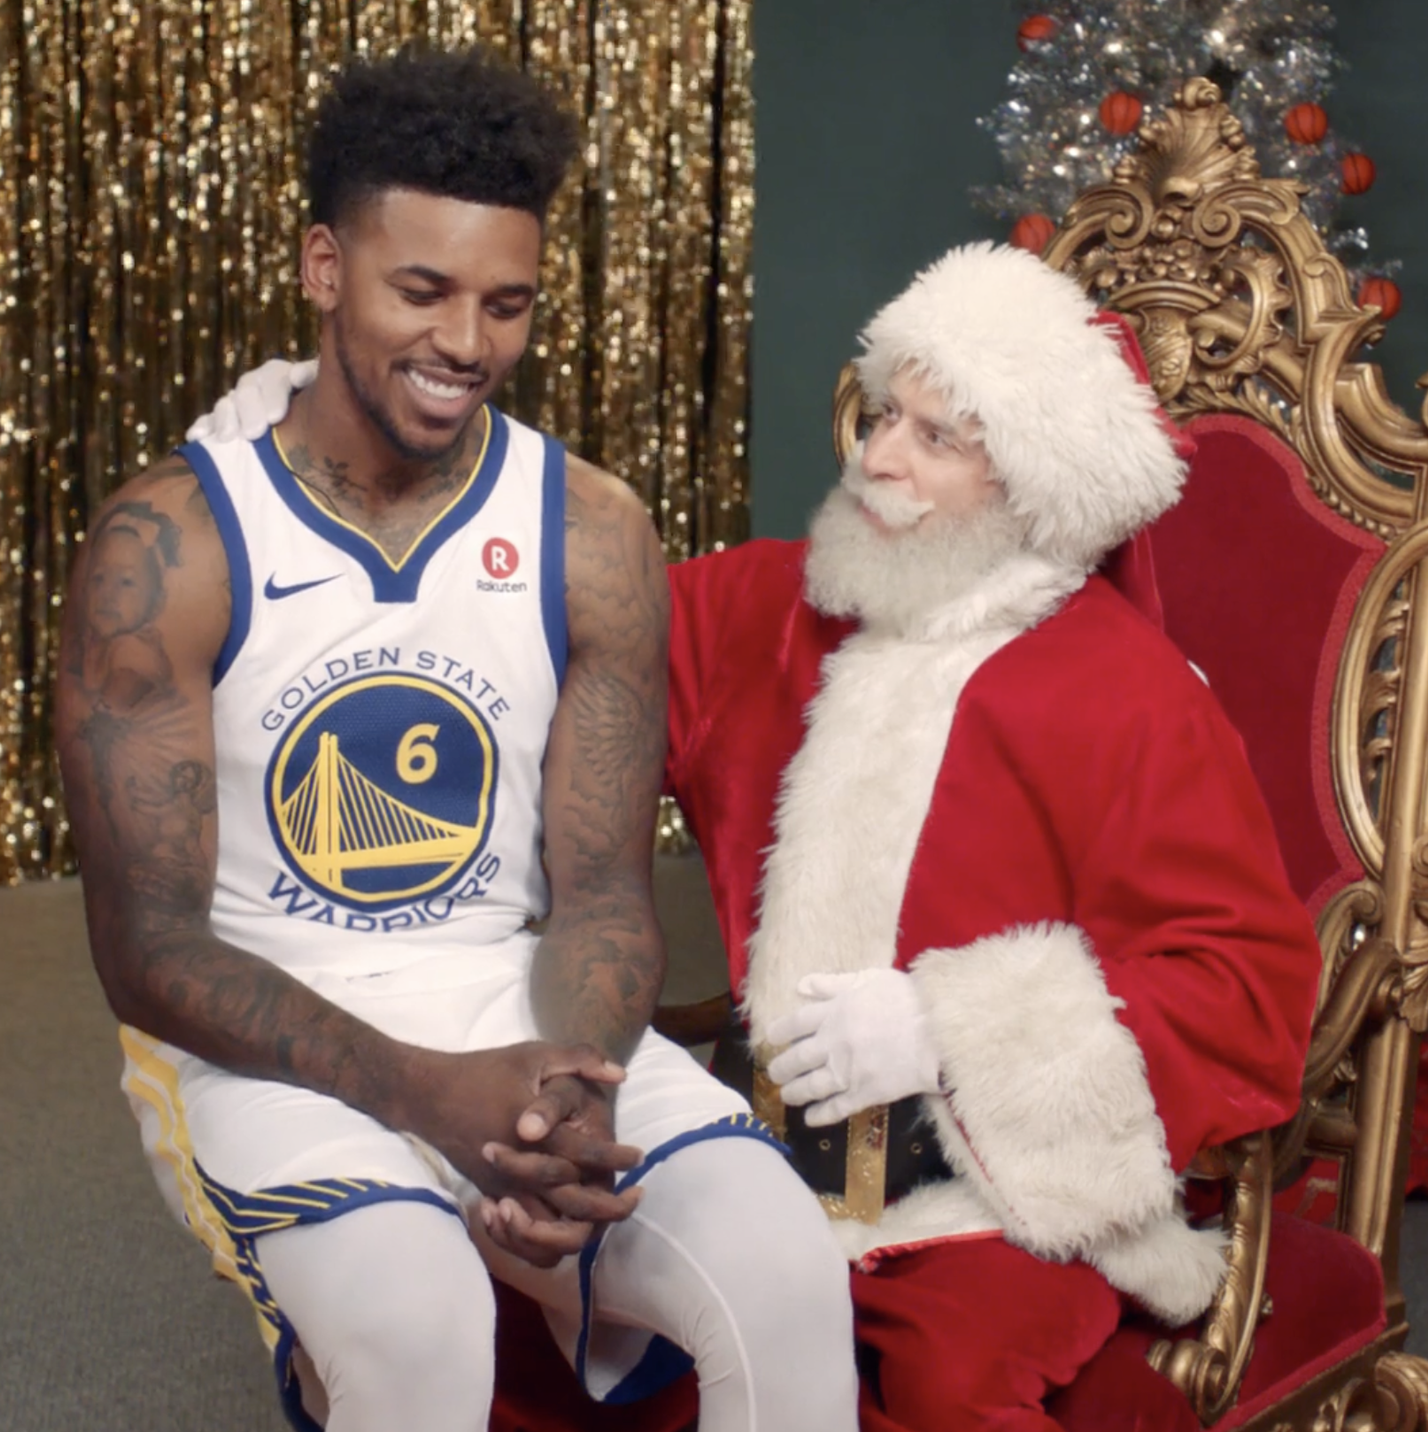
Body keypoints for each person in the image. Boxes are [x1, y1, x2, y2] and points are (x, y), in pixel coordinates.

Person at [196, 243, 1324, 1429]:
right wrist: (316, 455)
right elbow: (524, 646)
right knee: (496, 1327)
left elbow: (1245, 990)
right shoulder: (768, 607)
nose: (876, 456)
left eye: (936, 438)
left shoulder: (1133, 698)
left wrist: (950, 1029)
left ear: (1035, 487)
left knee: (947, 1389)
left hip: (990, 1201)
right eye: (885, 415)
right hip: (758, 1144)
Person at [57, 48, 855, 1432]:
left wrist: (569, 1096)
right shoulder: (169, 544)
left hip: (505, 999)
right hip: (262, 1022)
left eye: (506, 303)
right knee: (419, 1321)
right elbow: (150, 951)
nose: (466, 344)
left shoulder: (590, 532)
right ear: (324, 268)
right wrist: (428, 1097)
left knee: (784, 1266)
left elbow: (602, 894)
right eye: (420, 291)